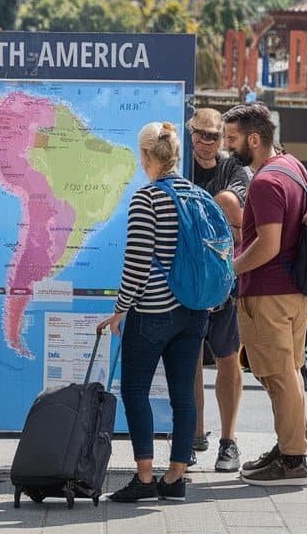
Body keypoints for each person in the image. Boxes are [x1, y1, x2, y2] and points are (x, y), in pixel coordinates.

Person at [99, 122, 209, 504]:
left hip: (153, 311)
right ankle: (176, 477)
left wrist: (118, 311)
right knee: (183, 394)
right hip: (194, 310)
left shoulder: (146, 198)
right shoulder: (194, 194)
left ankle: (145, 477)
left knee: (134, 390)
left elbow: (137, 263)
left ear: (145, 156)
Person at [222, 102, 307, 487]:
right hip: (295, 292)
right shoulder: (294, 167)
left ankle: (293, 462)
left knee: (278, 376)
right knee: (289, 373)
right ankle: (289, 445)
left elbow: (268, 245)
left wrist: (230, 269)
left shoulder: (264, 182)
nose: (228, 147)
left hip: (268, 294)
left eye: (232, 139)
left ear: (254, 139)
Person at [186, 108, 248, 472]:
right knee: (190, 360)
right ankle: (195, 435)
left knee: (228, 358)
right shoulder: (181, 165)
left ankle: (229, 441)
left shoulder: (232, 169)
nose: (207, 142)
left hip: (226, 282)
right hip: (189, 282)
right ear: (190, 132)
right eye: (201, 134)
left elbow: (232, 203)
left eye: (214, 136)